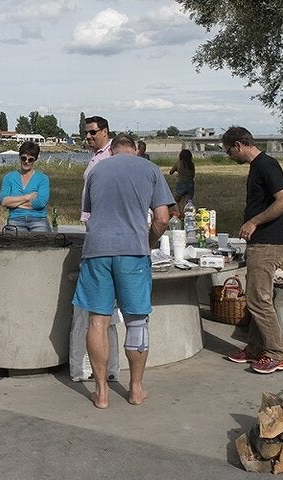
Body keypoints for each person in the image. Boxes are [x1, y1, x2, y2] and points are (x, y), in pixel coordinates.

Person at [73, 133, 173, 409]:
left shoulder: (95, 170)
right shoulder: (150, 169)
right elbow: (162, 219)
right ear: (136, 150)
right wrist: (148, 242)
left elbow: (89, 214)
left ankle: (102, 392)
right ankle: (136, 390)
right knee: (136, 322)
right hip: (133, 251)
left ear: (113, 150)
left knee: (97, 321)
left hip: (96, 251)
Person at [221, 126, 283, 374]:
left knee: (259, 300)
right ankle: (254, 348)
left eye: (229, 151)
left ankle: (277, 353)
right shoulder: (257, 167)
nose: (229, 156)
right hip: (259, 243)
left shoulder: (266, 165)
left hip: (268, 243)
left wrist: (253, 222)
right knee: (255, 298)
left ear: (239, 144)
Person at [71, 114, 122, 383]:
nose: (88, 137)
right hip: (93, 225)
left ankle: (107, 369)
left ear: (105, 131)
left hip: (105, 229)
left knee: (102, 308)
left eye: (92, 133)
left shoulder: (111, 155)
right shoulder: (95, 155)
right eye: (85, 133)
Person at [0, 141, 51, 232]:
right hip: (15, 219)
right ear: (19, 157)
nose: (26, 162)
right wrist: (28, 197)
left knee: (42, 242)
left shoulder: (43, 178)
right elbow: (3, 201)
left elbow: (40, 202)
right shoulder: (8, 178)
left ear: (35, 160)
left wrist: (14, 203)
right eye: (23, 158)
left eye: (30, 159)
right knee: (13, 243)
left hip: (39, 220)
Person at [168, 149, 195, 217]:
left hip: (181, 184)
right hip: (190, 185)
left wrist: (178, 170)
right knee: (187, 203)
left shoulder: (179, 163)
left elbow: (171, 172)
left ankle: (178, 212)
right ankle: (185, 214)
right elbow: (193, 175)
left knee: (175, 200)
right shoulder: (191, 164)